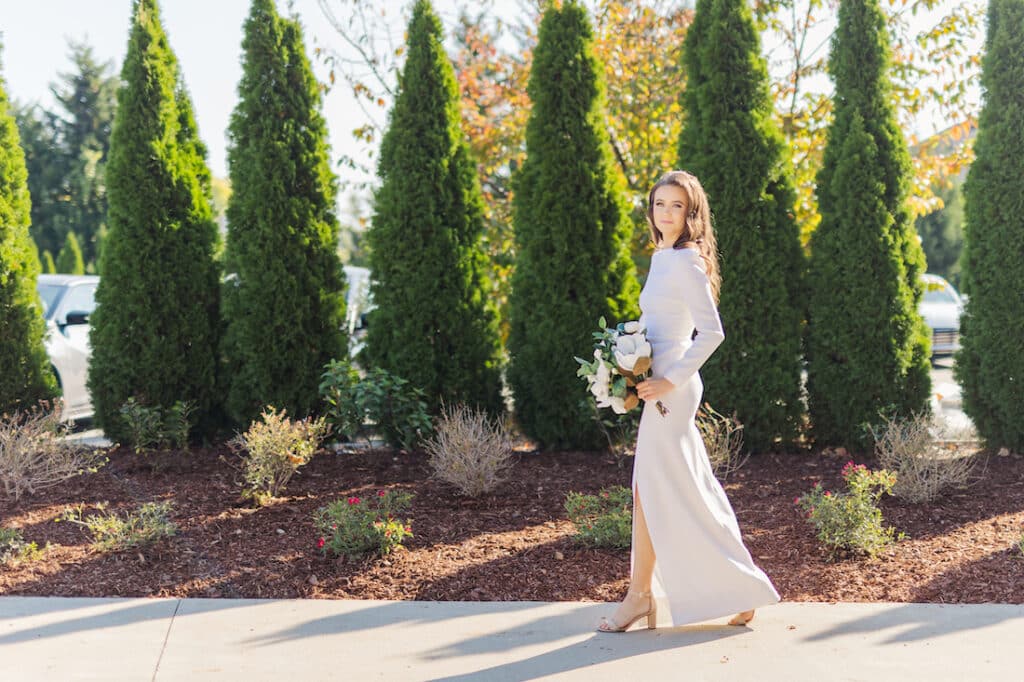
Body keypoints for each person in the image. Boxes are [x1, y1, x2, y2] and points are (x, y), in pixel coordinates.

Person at [597, 170, 780, 633]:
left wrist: (669, 379)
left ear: (691, 213)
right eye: (660, 204)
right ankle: (725, 590)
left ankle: (641, 596)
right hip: (657, 382)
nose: (666, 213)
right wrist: (626, 364)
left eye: (677, 206)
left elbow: (711, 333)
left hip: (673, 390)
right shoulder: (663, 256)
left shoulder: (686, 260)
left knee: (653, 490)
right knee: (669, 488)